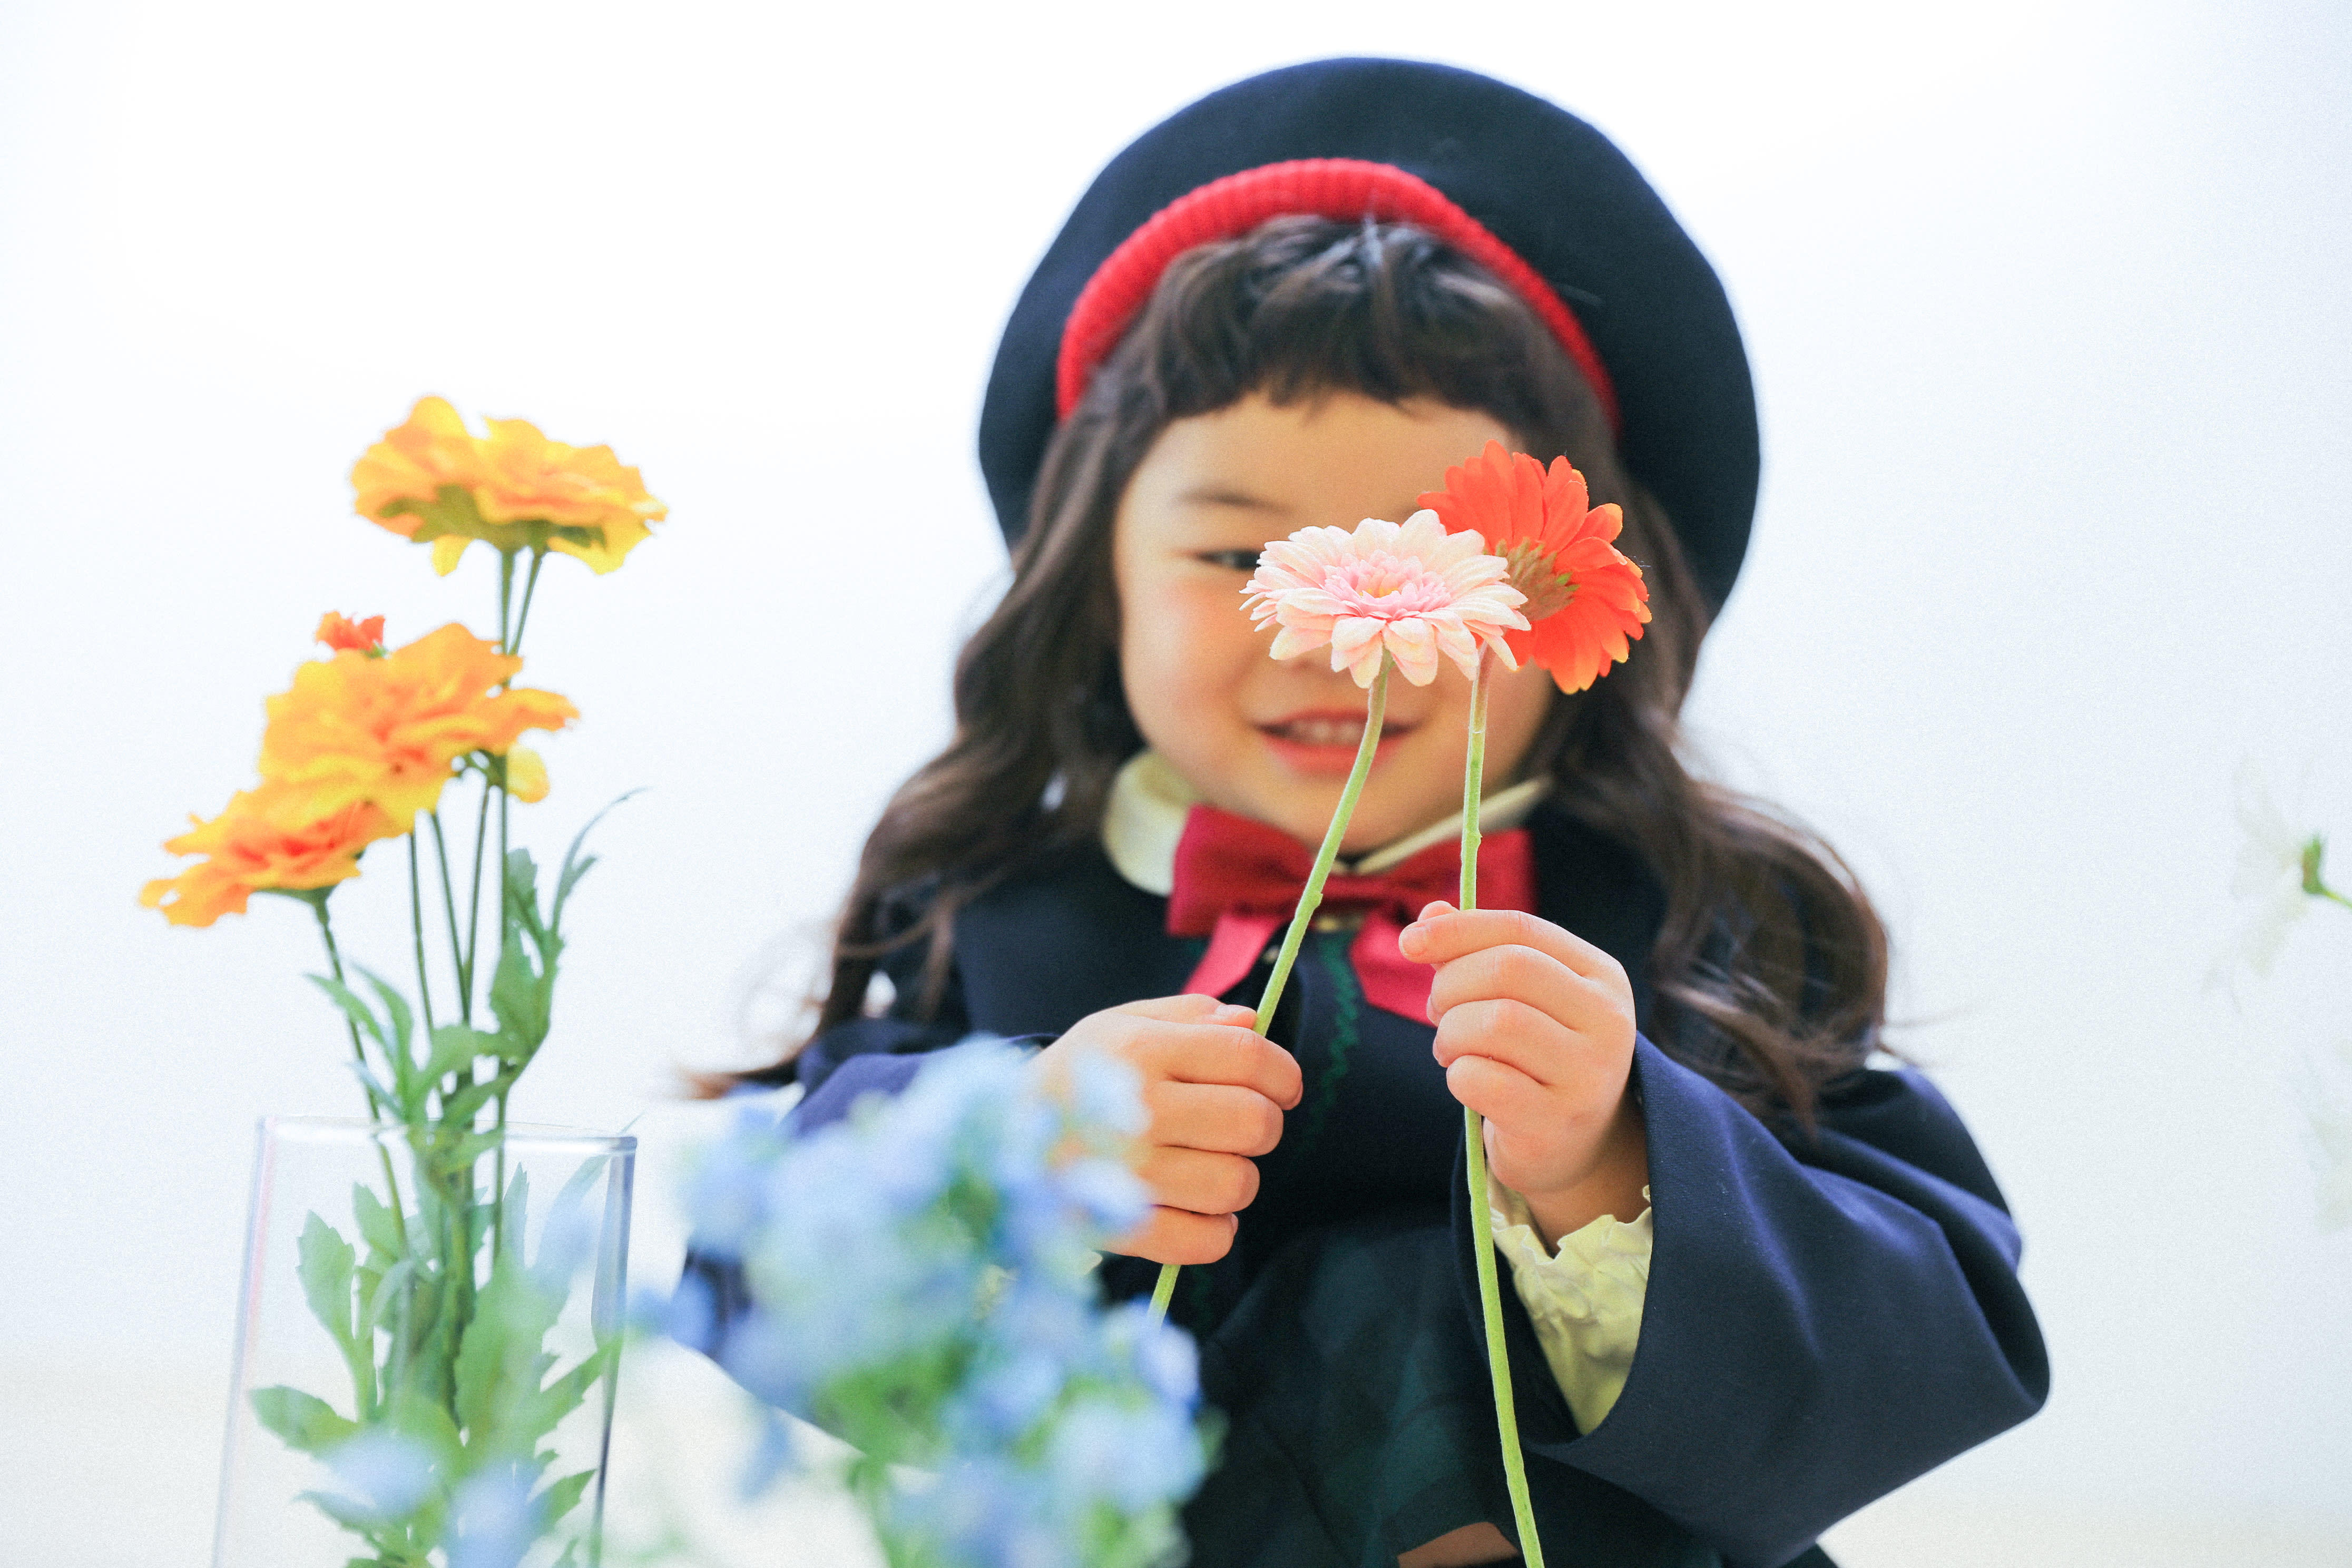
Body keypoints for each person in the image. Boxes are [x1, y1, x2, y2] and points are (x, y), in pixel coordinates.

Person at [693, 58, 2047, 1568]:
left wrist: (1616, 1168)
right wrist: (1020, 1152)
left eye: (1437, 557)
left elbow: (1933, 1320)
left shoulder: (1691, 926)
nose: (1345, 624)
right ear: (1099, 586)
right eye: (1235, 558)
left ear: (1559, 605)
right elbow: (763, 1254)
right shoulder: (998, 919)